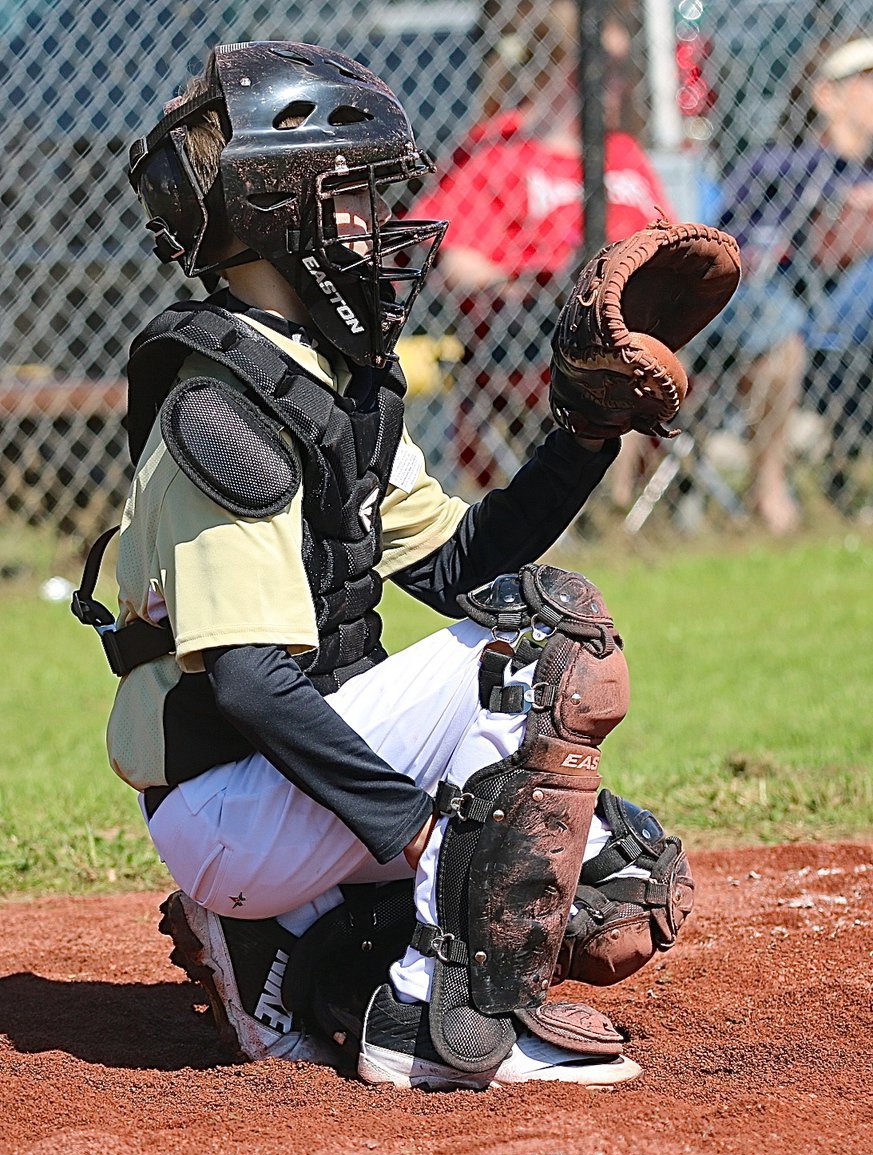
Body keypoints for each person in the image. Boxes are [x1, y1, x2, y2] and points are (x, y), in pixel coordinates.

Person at [79, 40, 695, 1092]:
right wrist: (425, 837)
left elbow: (460, 567)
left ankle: (303, 948)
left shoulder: (325, 374)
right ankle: (424, 1020)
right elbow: (248, 684)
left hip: (278, 785)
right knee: (546, 657)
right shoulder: (220, 405)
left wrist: (583, 437)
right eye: (356, 195)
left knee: (612, 879)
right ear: (280, 212)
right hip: (227, 795)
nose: (384, 221)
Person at [407, 2, 673, 502]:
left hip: (642, 321)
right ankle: (606, 502)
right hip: (532, 331)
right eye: (606, 70)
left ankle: (617, 502)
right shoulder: (498, 149)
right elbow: (456, 263)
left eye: (625, 69)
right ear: (559, 68)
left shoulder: (626, 155)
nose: (622, 83)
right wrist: (539, 285)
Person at [697, 35, 873, 528]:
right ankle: (769, 489)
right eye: (868, 80)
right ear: (827, 96)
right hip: (776, 306)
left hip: (851, 319)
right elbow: (728, 256)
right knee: (776, 319)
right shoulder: (780, 167)